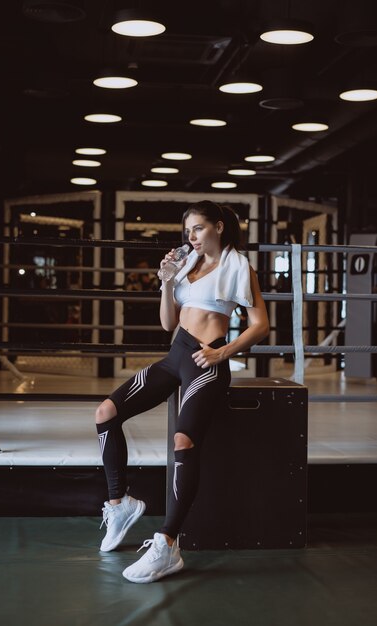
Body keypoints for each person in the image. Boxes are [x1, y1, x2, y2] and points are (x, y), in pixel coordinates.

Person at [95, 200, 270, 583]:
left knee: (183, 442)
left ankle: (168, 544)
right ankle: (119, 503)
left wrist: (222, 351)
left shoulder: (238, 267)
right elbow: (166, 323)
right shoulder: (187, 263)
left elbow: (260, 325)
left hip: (206, 363)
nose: (191, 236)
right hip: (176, 356)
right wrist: (168, 281)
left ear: (219, 227)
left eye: (199, 228)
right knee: (106, 412)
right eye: (188, 229)